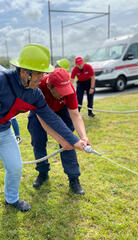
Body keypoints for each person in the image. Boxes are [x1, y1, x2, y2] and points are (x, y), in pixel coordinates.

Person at [0, 43, 86, 233]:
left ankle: (11, 199)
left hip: (3, 130)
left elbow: (51, 117)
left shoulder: (36, 94)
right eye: (38, 74)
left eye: (43, 74)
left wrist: (75, 140)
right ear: (23, 72)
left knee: (15, 166)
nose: (42, 78)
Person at [28, 64, 91, 194]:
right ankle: (43, 172)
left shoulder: (69, 89)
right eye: (60, 91)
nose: (64, 94)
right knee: (38, 142)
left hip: (62, 111)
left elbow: (75, 114)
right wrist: (59, 139)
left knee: (70, 142)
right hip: (39, 114)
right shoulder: (38, 88)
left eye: (66, 90)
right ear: (50, 86)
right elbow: (43, 120)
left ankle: (73, 178)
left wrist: (83, 137)